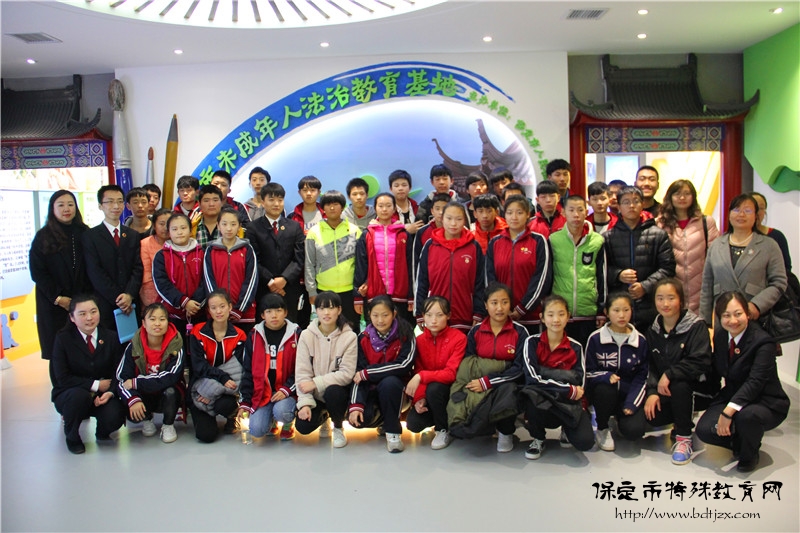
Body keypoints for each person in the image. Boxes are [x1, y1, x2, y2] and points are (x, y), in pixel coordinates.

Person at [695, 291, 790, 473]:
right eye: (726, 315)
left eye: (738, 314)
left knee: (746, 417)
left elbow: (755, 382)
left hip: (765, 401)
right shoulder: (721, 336)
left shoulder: (763, 342)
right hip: (732, 394)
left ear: (747, 313)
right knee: (705, 430)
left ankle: (749, 454)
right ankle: (742, 440)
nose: (733, 321)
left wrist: (728, 412)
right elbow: (716, 371)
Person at [644, 278, 714, 465]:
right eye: (660, 298)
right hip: (665, 389)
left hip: (697, 388)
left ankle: (684, 438)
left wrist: (670, 374)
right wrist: (652, 392)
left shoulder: (696, 326)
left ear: (681, 300)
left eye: (671, 298)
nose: (665, 304)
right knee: (652, 416)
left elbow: (701, 361)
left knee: (679, 384)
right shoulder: (653, 329)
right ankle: (679, 418)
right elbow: (650, 365)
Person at [454, 282, 528, 452]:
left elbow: (519, 369)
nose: (499, 308)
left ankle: (505, 432)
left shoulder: (520, 332)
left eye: (504, 302)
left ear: (510, 304)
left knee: (509, 389)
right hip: (479, 382)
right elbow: (469, 364)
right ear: (486, 305)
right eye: (494, 303)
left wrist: (489, 381)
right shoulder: (475, 331)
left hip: (505, 383)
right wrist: (481, 382)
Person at [519, 295, 594, 459]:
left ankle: (566, 429)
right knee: (531, 393)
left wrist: (543, 372)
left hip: (567, 404)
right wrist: (567, 385)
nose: (556, 320)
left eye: (561, 314)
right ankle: (538, 438)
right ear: (542, 317)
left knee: (585, 442)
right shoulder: (531, 342)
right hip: (543, 401)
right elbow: (532, 379)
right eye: (550, 314)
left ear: (568, 316)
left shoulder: (576, 346)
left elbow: (580, 384)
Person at [51, 294, 126, 454]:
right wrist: (96, 385)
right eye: (82, 314)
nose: (89, 318)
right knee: (79, 396)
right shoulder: (63, 339)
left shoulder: (111, 337)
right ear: (72, 318)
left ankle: (102, 432)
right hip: (72, 394)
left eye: (93, 311)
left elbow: (118, 371)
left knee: (115, 413)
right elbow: (62, 378)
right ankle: (72, 437)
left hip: (102, 396)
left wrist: (110, 392)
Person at [699, 194, 787, 326]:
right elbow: (707, 285)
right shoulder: (717, 245)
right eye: (736, 209)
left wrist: (757, 305)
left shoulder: (769, 245)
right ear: (729, 214)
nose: (741, 214)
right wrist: (705, 322)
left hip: (756, 317)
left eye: (747, 210)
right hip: (723, 317)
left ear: (756, 216)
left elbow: (779, 282)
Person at [29, 190, 91, 376]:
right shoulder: (43, 236)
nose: (66, 209)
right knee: (58, 349)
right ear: (52, 208)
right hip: (54, 303)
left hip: (81, 301)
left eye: (70, 204)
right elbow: (38, 273)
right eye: (61, 205)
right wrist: (58, 298)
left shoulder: (85, 232)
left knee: (84, 346)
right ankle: (61, 388)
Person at [348, 296, 416, 453]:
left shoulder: (406, 334)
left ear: (394, 313)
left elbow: (403, 365)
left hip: (399, 393)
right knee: (361, 418)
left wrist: (369, 373)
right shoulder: (363, 338)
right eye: (375, 315)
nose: (380, 320)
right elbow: (358, 374)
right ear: (369, 315)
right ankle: (383, 422)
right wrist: (355, 405)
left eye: (385, 315)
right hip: (372, 392)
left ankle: (393, 433)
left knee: (390, 382)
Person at [604, 186, 675, 330]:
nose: (631, 206)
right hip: (620, 306)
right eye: (626, 202)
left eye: (636, 201)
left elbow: (668, 268)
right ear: (618, 207)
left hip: (650, 304)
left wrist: (645, 286)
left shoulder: (658, 235)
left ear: (642, 204)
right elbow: (601, 270)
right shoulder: (608, 237)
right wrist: (618, 275)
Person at [585, 293, 648, 452]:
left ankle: (621, 419)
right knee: (605, 388)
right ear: (606, 312)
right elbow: (588, 372)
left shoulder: (640, 340)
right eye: (616, 310)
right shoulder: (595, 338)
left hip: (627, 395)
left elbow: (642, 376)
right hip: (603, 395)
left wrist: (632, 403)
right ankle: (602, 428)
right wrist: (606, 376)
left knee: (634, 431)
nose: (621, 315)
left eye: (626, 310)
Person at [294, 291, 358, 448]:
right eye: (322, 308)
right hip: (315, 394)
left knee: (333, 392)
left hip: (337, 392)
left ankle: (338, 427)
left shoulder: (349, 336)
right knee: (303, 427)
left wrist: (316, 383)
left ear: (339, 310)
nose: (326, 313)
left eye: (331, 308)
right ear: (316, 311)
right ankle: (324, 419)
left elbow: (347, 374)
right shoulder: (306, 335)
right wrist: (305, 404)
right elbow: (302, 372)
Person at [116, 302, 185, 444]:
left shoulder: (176, 345)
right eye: (152, 319)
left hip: (165, 395)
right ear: (144, 323)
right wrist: (133, 399)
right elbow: (122, 379)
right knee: (129, 402)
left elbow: (171, 377)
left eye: (162, 319)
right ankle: (147, 419)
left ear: (168, 322)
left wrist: (137, 382)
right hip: (144, 395)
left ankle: (168, 425)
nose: (157, 324)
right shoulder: (133, 346)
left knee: (172, 391)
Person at [405, 296, 467, 450]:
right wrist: (420, 398)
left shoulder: (459, 338)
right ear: (423, 316)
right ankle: (443, 420)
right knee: (413, 423)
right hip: (430, 393)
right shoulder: (419, 340)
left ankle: (442, 429)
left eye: (439, 315)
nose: (433, 320)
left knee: (435, 388)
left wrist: (421, 376)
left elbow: (451, 374)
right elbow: (418, 370)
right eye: (429, 315)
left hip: (451, 391)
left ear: (448, 315)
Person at [188, 289, 247, 443]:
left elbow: (238, 369)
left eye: (222, 306)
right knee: (206, 436)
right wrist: (209, 388)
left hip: (224, 390)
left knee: (226, 405)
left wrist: (212, 390)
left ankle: (231, 418)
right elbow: (198, 366)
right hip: (200, 388)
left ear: (230, 307)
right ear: (208, 310)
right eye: (213, 308)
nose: (218, 311)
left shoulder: (240, 335)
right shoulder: (197, 332)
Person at [415, 201, 485, 332]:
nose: (453, 223)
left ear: (465, 220)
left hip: (465, 315)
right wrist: (419, 312)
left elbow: (480, 283)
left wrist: (479, 311)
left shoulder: (474, 247)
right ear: (442, 219)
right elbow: (422, 281)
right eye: (449, 218)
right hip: (435, 316)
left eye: (458, 219)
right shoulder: (430, 245)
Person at [486, 194, 551, 334]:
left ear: (528, 214)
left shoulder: (538, 241)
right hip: (502, 316)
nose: (514, 217)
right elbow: (490, 279)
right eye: (509, 213)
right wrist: (501, 307)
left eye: (519, 212)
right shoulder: (495, 242)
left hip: (532, 316)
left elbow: (542, 278)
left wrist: (522, 308)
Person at [239, 293, 300, 440]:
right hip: (263, 393)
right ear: (262, 315)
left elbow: (302, 369)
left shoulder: (296, 334)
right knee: (256, 430)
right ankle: (271, 421)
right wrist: (245, 402)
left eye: (278, 310)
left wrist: (286, 390)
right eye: (269, 311)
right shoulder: (254, 336)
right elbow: (247, 371)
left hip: (288, 392)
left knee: (282, 412)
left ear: (285, 312)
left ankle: (287, 423)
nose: (274, 315)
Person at [82, 184, 143, 332]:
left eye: (120, 201)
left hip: (131, 302)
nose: (116, 206)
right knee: (109, 341)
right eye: (110, 202)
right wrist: (118, 298)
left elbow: (138, 268)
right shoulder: (90, 236)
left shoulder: (132, 235)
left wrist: (129, 295)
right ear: (100, 206)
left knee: (133, 341)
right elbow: (95, 272)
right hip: (105, 302)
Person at [247, 182, 308, 327]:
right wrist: (271, 282)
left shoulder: (294, 226)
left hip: (289, 289)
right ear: (263, 202)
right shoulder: (253, 228)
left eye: (280, 200)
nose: (276, 204)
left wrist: (284, 279)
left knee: (290, 327)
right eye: (271, 200)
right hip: (264, 288)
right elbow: (254, 259)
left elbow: (299, 258)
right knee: (265, 328)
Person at [656, 179, 720, 316]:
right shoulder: (660, 224)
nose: (682, 198)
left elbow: (715, 255)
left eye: (687, 194)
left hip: (701, 286)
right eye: (677, 194)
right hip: (671, 288)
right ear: (670, 197)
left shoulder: (706, 222)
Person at [549, 195, 606, 348]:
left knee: (587, 353)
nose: (576, 214)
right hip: (561, 312)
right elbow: (548, 275)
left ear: (587, 212)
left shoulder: (597, 241)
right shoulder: (554, 240)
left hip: (588, 311)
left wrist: (601, 309)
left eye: (580, 210)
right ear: (563, 212)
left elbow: (602, 276)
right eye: (571, 210)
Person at [304, 190, 362, 332]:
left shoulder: (354, 231)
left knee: (351, 330)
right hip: (324, 290)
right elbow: (309, 263)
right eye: (328, 204)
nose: (332, 208)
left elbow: (361, 263)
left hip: (350, 291)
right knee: (327, 331)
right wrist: (312, 291)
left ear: (342, 207)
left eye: (336, 204)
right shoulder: (314, 232)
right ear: (322, 208)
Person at [354, 192, 413, 323]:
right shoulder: (367, 234)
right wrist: (357, 295)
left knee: (400, 330)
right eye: (380, 206)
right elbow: (360, 265)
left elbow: (410, 266)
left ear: (394, 208)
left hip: (400, 294)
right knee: (376, 329)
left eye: (388, 205)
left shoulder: (403, 234)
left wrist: (411, 295)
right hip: (374, 293)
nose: (384, 209)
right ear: (375, 208)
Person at [203, 207, 258, 333]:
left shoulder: (247, 249)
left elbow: (251, 281)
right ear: (218, 226)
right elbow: (208, 280)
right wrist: (219, 307)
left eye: (233, 224)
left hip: (244, 314)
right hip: (218, 314)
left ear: (239, 227)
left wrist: (239, 309)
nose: (229, 228)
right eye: (224, 224)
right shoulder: (211, 250)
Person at [153, 212, 206, 335]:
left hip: (199, 311)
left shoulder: (202, 253)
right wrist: (184, 302)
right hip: (172, 314)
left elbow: (206, 280)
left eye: (183, 228)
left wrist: (194, 304)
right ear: (169, 232)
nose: (179, 232)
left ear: (190, 230)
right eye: (174, 229)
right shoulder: (161, 256)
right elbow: (161, 283)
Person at [411, 192, 450, 283]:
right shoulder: (422, 232)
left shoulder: (459, 231)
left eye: (444, 208)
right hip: (430, 281)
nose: (441, 212)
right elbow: (416, 261)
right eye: (437, 208)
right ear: (432, 211)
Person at [751, 191, 793, 274]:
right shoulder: (732, 238)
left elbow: (786, 268)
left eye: (761, 208)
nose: (757, 212)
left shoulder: (776, 236)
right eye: (752, 207)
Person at [139, 208, 172, 308]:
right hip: (152, 300)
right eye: (161, 224)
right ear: (154, 225)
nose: (165, 228)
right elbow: (146, 278)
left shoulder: (178, 243)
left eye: (169, 224)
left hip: (175, 298)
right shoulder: (145, 244)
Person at [388, 169, 422, 234]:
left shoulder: (418, 209)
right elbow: (383, 235)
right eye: (396, 186)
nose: (400, 188)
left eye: (404, 185)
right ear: (391, 189)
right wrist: (406, 232)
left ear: (410, 188)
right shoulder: (386, 211)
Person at [193, 184, 224, 249]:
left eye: (215, 200)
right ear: (199, 204)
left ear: (221, 202)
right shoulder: (192, 227)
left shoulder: (231, 226)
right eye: (206, 200)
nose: (211, 204)